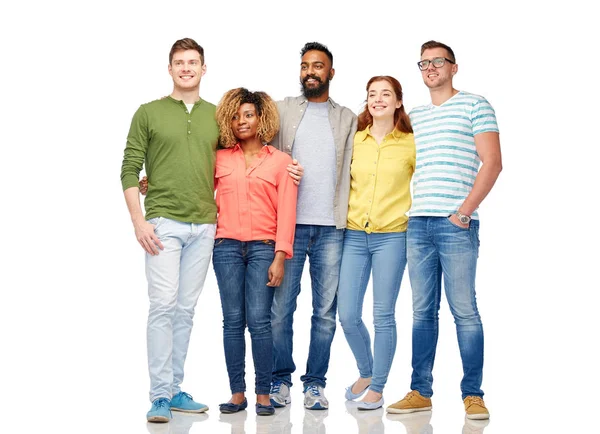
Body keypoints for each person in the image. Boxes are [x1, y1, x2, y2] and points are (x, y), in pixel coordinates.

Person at [386, 40, 502, 420]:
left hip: (456, 224)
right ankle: (420, 390)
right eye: (424, 63)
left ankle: (473, 394)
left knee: (464, 310)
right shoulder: (415, 116)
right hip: (417, 223)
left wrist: (464, 213)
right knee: (422, 311)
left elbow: (492, 163)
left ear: (454, 67)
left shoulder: (475, 104)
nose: (431, 67)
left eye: (439, 61)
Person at [120, 38, 218, 423]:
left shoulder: (216, 114)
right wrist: (138, 220)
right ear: (170, 68)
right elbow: (130, 166)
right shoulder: (148, 112)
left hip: (205, 224)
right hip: (163, 222)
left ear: (203, 68)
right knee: (162, 307)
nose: (186, 68)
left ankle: (176, 388)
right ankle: (159, 395)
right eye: (180, 62)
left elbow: (234, 161)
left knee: (186, 310)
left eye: (193, 62)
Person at [269, 41, 357, 410]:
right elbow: (248, 147)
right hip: (288, 227)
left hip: (332, 229)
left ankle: (315, 383)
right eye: (305, 65)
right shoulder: (280, 110)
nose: (311, 71)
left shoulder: (347, 118)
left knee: (325, 312)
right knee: (280, 309)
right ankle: (279, 380)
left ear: (331, 73)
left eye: (318, 66)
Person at [212, 88, 298, 416]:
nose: (241, 121)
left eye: (248, 115)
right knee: (233, 321)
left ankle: (264, 393)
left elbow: (287, 212)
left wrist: (280, 255)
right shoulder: (219, 158)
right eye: (235, 116)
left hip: (264, 248)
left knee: (260, 321)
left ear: (261, 118)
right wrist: (154, 183)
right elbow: (195, 188)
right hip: (226, 248)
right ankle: (237, 393)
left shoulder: (281, 162)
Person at [338, 76, 415, 410]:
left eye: (386, 94)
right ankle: (367, 372)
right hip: (354, 235)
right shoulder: (356, 140)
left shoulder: (411, 143)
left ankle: (378, 387)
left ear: (398, 101)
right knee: (347, 314)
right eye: (372, 94)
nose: (378, 99)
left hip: (393, 237)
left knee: (383, 315)